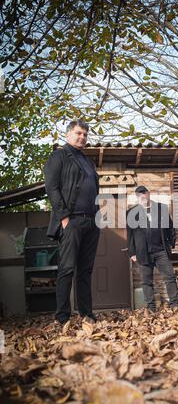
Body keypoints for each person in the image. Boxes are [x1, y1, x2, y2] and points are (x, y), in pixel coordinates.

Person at [44, 119, 100, 333]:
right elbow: (52, 187)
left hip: (91, 220)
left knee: (85, 271)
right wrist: (64, 217)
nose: (82, 137)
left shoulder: (88, 161)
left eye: (85, 134)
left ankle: (87, 314)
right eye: (78, 133)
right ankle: (62, 317)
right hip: (72, 220)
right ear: (68, 134)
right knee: (67, 269)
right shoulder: (59, 156)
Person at [127, 186, 178, 312]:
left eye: (144, 194)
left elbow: (170, 227)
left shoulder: (161, 208)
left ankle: (175, 305)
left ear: (148, 194)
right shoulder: (132, 213)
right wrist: (132, 252)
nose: (142, 197)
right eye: (139, 195)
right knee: (146, 281)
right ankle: (151, 308)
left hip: (161, 250)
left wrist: (171, 244)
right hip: (143, 252)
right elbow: (130, 235)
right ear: (137, 198)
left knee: (170, 277)